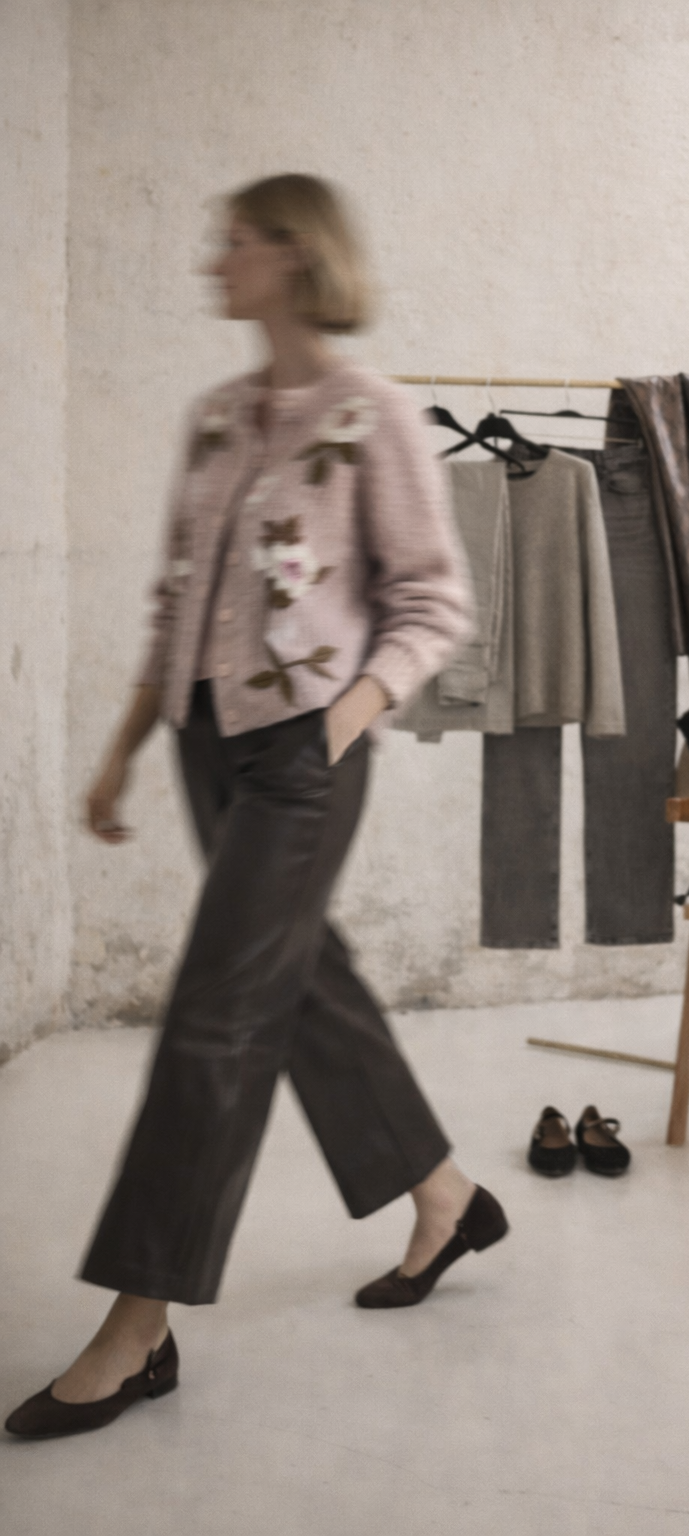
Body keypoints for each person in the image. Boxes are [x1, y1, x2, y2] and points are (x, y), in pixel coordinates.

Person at [6, 173, 508, 1441]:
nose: (209, 261)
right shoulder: (218, 418)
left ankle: (139, 1326)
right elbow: (176, 601)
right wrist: (125, 746)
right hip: (202, 744)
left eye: (230, 243)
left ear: (292, 255)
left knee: (216, 1020)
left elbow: (438, 601)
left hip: (304, 753)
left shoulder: (373, 417)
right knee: (294, 985)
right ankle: (446, 1198)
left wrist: (342, 724)